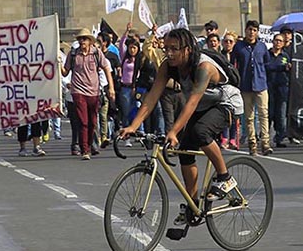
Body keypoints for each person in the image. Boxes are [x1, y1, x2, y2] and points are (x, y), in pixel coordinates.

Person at [120, 28, 244, 240]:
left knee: (200, 132)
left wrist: (173, 131)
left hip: (226, 104)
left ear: (187, 49)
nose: (169, 53)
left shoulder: (203, 67)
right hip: (201, 106)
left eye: (174, 49)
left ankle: (225, 177)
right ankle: (193, 205)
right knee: (186, 151)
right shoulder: (167, 66)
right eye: (166, 48)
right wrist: (133, 126)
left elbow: (193, 100)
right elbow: (151, 97)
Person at [62, 29, 115, 160]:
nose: (82, 42)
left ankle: (90, 145)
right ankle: (84, 149)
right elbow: (65, 72)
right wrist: (58, 64)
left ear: (90, 41)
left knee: (93, 121)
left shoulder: (96, 53)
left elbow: (106, 69)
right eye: (80, 39)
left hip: (94, 92)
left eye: (84, 39)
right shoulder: (73, 54)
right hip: (78, 91)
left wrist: (111, 88)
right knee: (83, 121)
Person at [231, 20, 271, 156]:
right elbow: (233, 65)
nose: (251, 32)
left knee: (263, 114)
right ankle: (252, 143)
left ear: (257, 32)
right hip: (246, 85)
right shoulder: (239, 47)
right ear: (246, 31)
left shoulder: (262, 46)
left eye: (254, 30)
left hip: (261, 84)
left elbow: (267, 63)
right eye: (249, 30)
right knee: (248, 117)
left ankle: (265, 142)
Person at [265, 34, 292, 147]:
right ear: (273, 41)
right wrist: (281, 68)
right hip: (269, 87)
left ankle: (279, 138)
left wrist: (289, 67)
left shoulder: (285, 55)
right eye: (276, 40)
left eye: (280, 41)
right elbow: (267, 66)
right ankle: (266, 138)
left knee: (281, 115)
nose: (278, 43)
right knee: (269, 114)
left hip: (282, 88)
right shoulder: (267, 54)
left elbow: (290, 69)